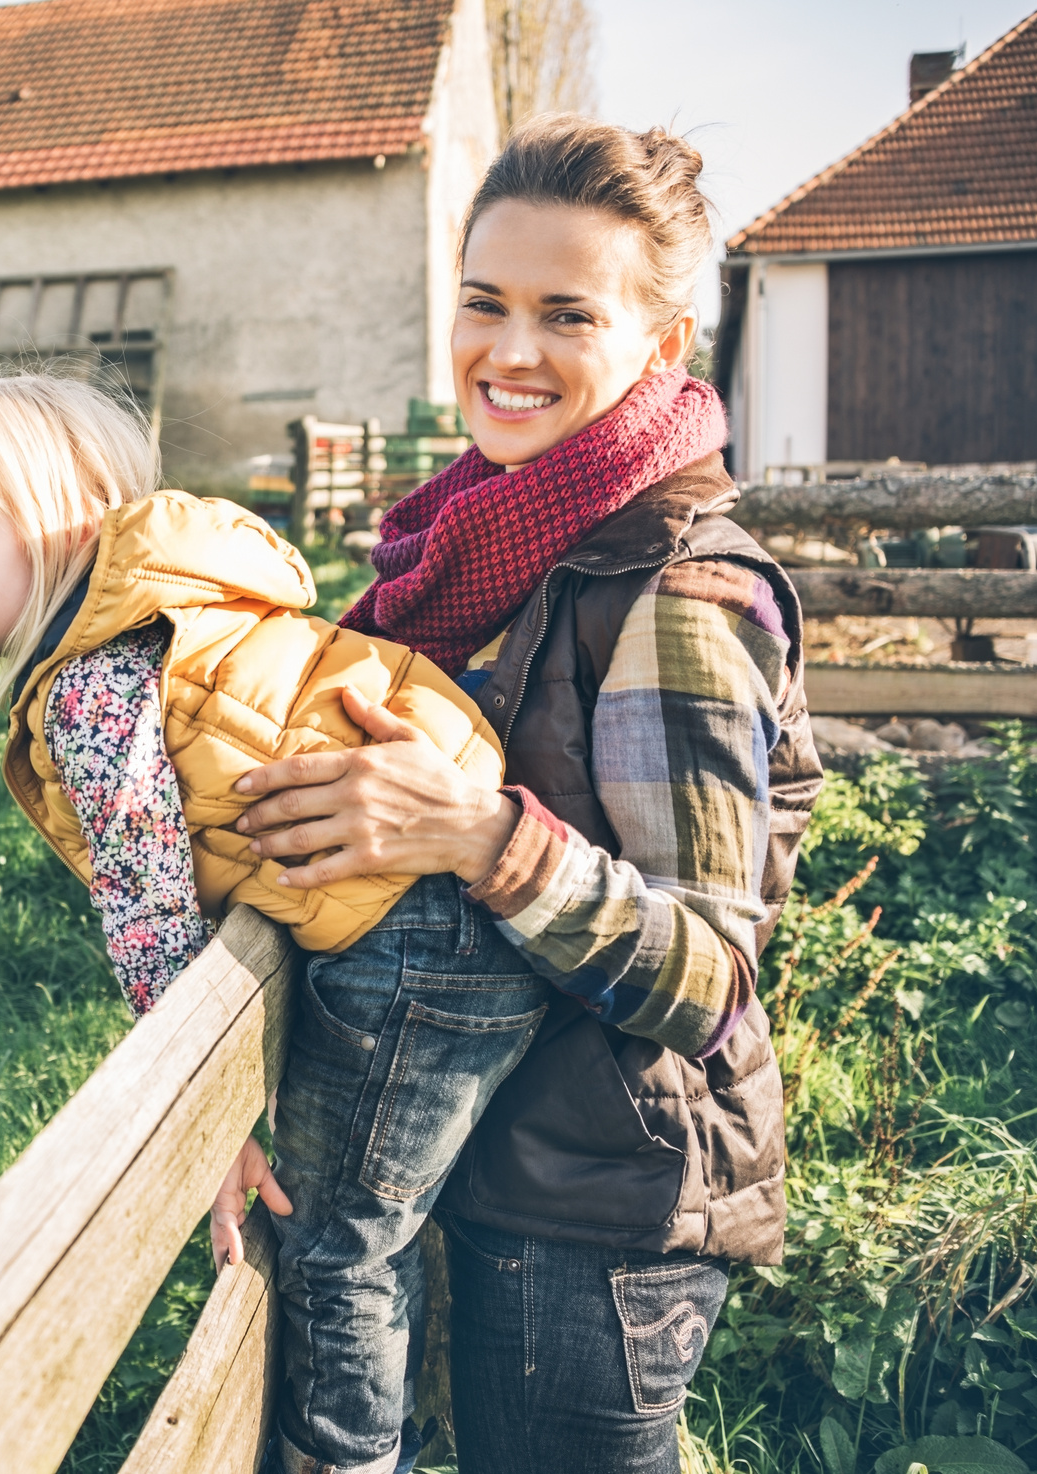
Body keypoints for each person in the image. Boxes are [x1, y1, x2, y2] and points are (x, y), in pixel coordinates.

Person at [232, 115, 825, 1473]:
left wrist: (474, 830)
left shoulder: (680, 593)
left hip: (600, 1213)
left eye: (569, 314)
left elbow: (709, 977)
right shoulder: (487, 545)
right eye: (485, 303)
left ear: (660, 345)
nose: (509, 351)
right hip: (494, 1152)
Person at [0, 370, 550, 1474]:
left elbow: (147, 905)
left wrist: (203, 1112)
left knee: (338, 1244)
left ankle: (351, 1459)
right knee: (371, 1224)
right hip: (448, 921)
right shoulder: (187, 608)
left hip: (417, 944)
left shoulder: (91, 685)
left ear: (70, 514)